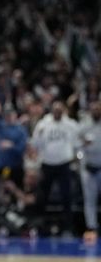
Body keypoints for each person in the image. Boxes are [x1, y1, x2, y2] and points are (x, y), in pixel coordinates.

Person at [32, 100, 78, 235]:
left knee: (67, 196)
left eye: (60, 110)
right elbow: (35, 144)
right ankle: (39, 226)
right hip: (47, 164)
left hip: (64, 164)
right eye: (55, 110)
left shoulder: (71, 124)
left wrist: (75, 156)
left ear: (63, 111)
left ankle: (68, 228)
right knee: (42, 196)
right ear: (52, 111)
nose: (57, 112)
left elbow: (78, 142)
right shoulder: (43, 124)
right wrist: (39, 134)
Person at [79, 101, 101, 244]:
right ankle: (91, 227)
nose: (95, 111)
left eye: (98, 109)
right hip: (88, 167)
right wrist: (82, 145)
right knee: (89, 200)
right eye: (93, 109)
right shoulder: (84, 125)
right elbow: (76, 144)